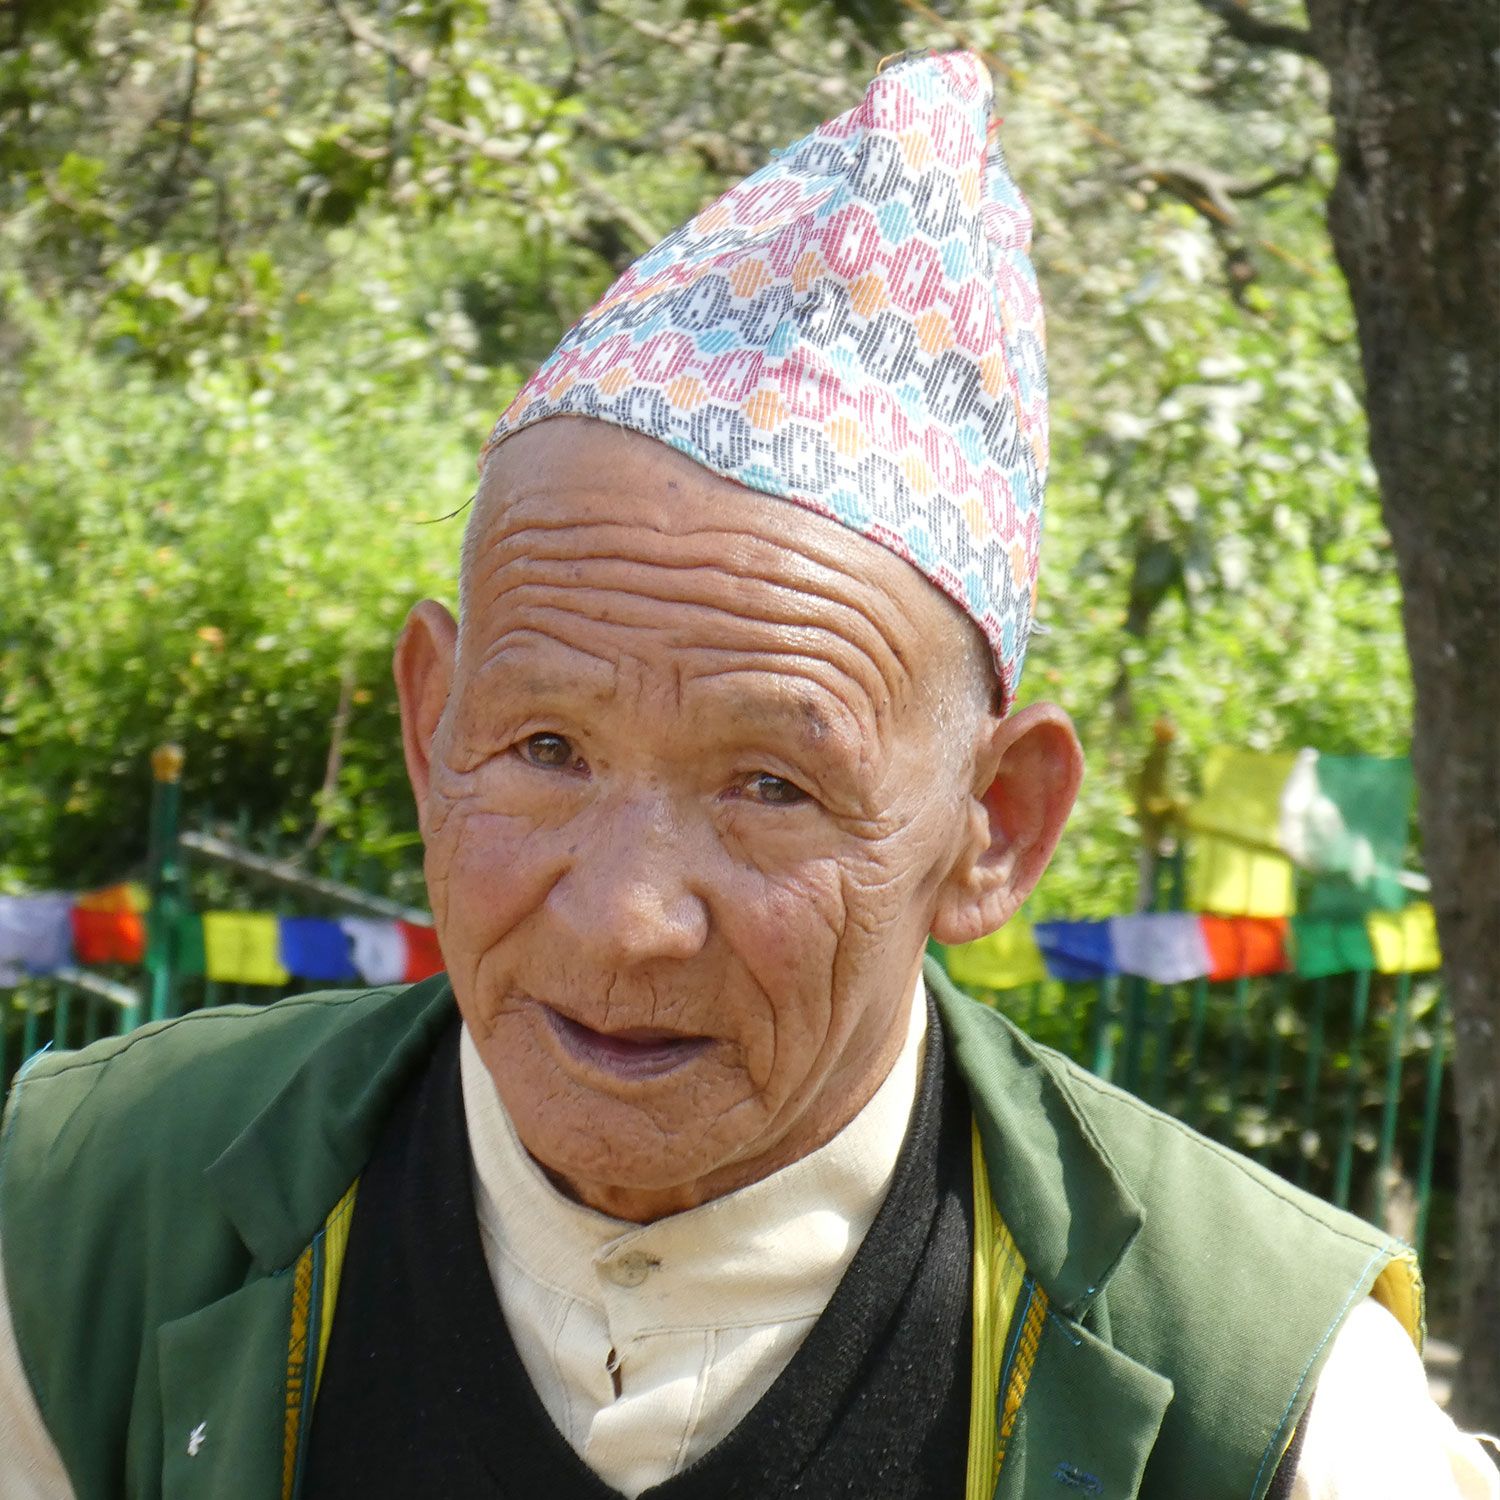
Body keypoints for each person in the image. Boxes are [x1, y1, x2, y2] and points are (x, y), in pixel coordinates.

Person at [2, 50, 1495, 1500]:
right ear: (431, 724)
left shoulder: (1267, 1408)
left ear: (995, 826)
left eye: (770, 788)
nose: (624, 921)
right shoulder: (85, 1231)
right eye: (546, 749)